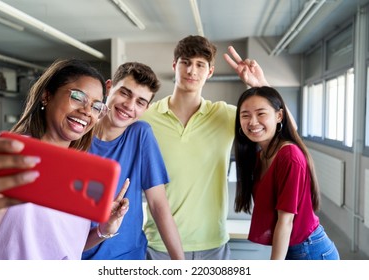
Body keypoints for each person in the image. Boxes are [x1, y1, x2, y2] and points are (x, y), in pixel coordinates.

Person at [0, 58, 129, 259]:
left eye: (96, 106)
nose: (86, 111)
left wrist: (104, 230)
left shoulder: (81, 169)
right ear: (46, 96)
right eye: (78, 97)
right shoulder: (12, 155)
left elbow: (66, 244)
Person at [141, 35, 269, 260]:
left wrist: (260, 85)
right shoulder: (147, 118)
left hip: (212, 244)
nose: (192, 70)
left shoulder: (225, 116)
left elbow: (285, 129)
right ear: (175, 66)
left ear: (210, 71)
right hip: (159, 245)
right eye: (186, 62)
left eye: (200, 64)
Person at [82, 62, 184, 260]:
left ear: (147, 108)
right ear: (109, 87)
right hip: (78, 255)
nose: (129, 106)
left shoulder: (140, 135)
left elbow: (158, 205)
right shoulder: (78, 134)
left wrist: (181, 264)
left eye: (140, 102)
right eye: (125, 93)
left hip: (128, 258)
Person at [234, 86, 340, 260]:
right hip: (293, 246)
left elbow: (286, 221)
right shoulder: (260, 156)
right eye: (245, 115)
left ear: (279, 116)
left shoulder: (289, 156)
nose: (252, 122)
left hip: (311, 251)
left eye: (261, 114)